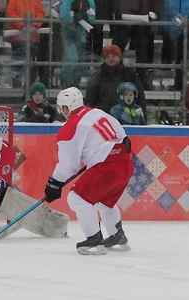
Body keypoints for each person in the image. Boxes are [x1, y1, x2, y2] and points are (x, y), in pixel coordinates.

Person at [44, 87, 133, 255]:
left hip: (107, 165)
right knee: (103, 200)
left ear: (66, 108)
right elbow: (123, 137)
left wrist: (54, 183)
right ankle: (116, 235)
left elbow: (69, 165)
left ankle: (94, 238)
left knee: (77, 198)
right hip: (126, 162)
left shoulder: (71, 127)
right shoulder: (98, 113)